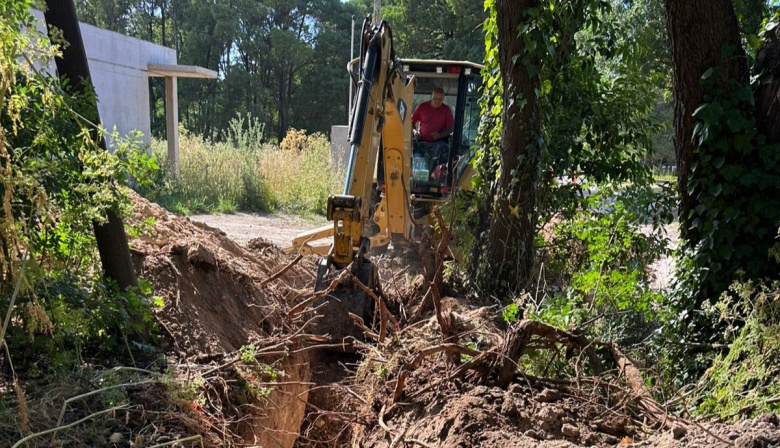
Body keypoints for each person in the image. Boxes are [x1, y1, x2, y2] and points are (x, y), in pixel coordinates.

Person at [411, 87, 453, 180]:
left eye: (440, 99)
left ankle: (430, 176)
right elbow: (412, 122)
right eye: (435, 98)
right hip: (421, 140)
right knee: (411, 145)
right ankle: (413, 175)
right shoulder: (422, 107)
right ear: (431, 96)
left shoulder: (446, 110)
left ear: (443, 99)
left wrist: (440, 135)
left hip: (438, 141)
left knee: (443, 148)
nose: (437, 101)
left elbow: (450, 128)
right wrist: (415, 132)